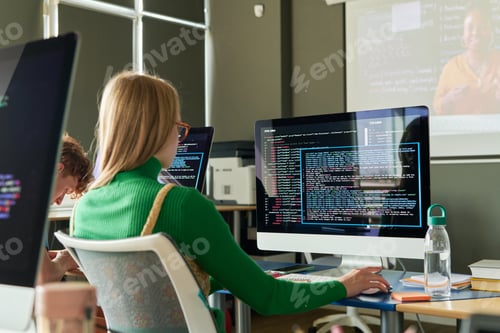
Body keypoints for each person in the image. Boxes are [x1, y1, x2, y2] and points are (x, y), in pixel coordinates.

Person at [72, 71, 390, 332]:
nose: (179, 138)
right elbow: (268, 299)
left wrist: (233, 277)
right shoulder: (180, 203)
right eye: (179, 128)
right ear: (158, 130)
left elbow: (147, 294)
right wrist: (344, 285)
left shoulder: (83, 209)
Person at [37, 133, 94, 285]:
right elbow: (44, 277)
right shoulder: (28, 205)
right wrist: (64, 260)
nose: (59, 201)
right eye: (66, 189)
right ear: (57, 169)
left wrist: (51, 258)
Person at [433, 4, 500, 115]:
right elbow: (437, 106)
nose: (475, 32)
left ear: (491, 32)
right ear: (463, 34)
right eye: (470, 27)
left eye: (482, 27)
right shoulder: (451, 67)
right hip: (462, 131)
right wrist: (450, 99)